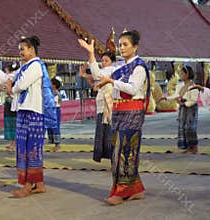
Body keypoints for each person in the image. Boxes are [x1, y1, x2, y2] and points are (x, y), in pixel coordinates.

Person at [78, 30, 150, 205]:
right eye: (120, 45)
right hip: (119, 112)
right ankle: (136, 189)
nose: (122, 48)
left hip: (132, 112)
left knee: (124, 152)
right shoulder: (119, 67)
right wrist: (91, 54)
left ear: (135, 46)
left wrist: (111, 82)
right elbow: (97, 75)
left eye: (125, 44)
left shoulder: (139, 66)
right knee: (119, 151)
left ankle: (123, 191)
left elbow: (132, 89)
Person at [0, 36, 57, 198]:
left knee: (29, 149)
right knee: (27, 148)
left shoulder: (36, 66)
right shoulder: (25, 67)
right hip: (25, 111)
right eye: (19, 49)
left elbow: (20, 85)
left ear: (32, 49)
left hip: (33, 112)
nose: (20, 52)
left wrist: (11, 87)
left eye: (22, 49)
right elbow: (8, 78)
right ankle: (38, 184)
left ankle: (27, 185)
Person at [80, 52, 116, 162]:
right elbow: (94, 85)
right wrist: (85, 75)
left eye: (106, 61)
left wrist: (90, 53)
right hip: (101, 105)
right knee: (103, 134)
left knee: (110, 134)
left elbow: (97, 75)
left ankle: (114, 161)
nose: (104, 63)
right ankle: (111, 159)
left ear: (112, 62)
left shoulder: (112, 70)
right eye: (103, 60)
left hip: (109, 106)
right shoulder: (104, 72)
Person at [160, 66, 199, 154]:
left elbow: (194, 99)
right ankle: (188, 147)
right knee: (182, 126)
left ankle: (194, 147)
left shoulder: (194, 86)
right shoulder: (180, 85)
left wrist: (184, 103)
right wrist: (166, 98)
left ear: (187, 74)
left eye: (182, 73)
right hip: (183, 107)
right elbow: (176, 95)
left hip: (191, 108)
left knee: (190, 127)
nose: (180, 75)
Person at [0, 63, 19, 150]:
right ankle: (12, 141)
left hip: (13, 103)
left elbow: (11, 92)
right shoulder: (9, 80)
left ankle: (15, 142)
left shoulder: (15, 79)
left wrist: (8, 90)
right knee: (9, 123)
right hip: (8, 103)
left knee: (14, 123)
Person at [47, 77, 62, 152]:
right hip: (50, 110)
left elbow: (54, 103)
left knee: (55, 127)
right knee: (50, 127)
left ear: (54, 85)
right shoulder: (51, 92)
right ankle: (53, 141)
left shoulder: (56, 93)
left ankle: (57, 144)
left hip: (55, 110)